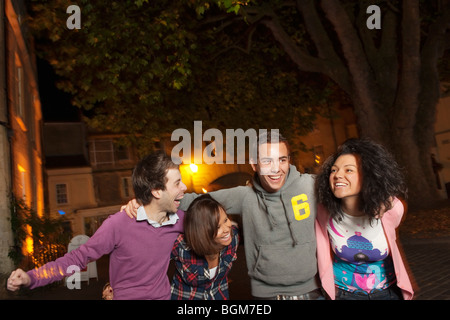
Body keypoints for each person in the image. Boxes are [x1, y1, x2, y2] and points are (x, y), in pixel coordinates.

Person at [124, 131, 322, 300]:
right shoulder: (245, 196)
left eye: (282, 159)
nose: (276, 168)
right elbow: (194, 201)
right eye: (267, 160)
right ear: (254, 164)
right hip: (267, 293)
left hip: (311, 289)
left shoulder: (310, 185)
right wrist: (145, 202)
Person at [7, 151, 187, 300]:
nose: (184, 187)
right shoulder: (119, 224)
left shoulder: (180, 220)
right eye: (177, 183)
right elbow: (77, 259)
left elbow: (211, 225)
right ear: (156, 191)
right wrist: (32, 277)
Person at [314, 138, 414, 300]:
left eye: (348, 170)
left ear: (368, 175)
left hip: (387, 293)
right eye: (333, 170)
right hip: (343, 294)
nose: (338, 175)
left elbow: (390, 194)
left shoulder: (391, 209)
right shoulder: (323, 212)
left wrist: (383, 197)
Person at [171, 194, 239, 300]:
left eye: (225, 220)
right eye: (217, 227)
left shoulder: (233, 238)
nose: (226, 229)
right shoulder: (180, 246)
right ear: (201, 232)